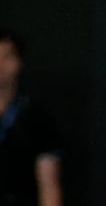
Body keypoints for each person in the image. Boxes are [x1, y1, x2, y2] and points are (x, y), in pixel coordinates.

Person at [0, 29, 64, 206]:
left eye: (6, 57)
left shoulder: (39, 120)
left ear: (19, 62)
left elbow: (49, 186)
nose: (0, 65)